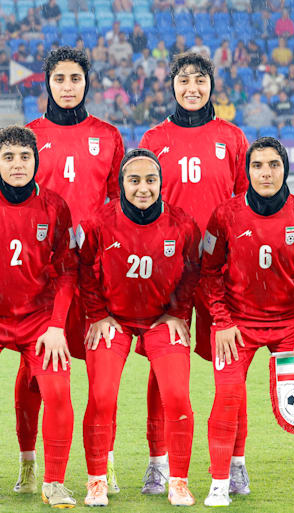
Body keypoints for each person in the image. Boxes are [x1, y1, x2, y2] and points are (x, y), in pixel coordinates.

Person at [201, 137, 294, 507]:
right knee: (227, 398)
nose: (265, 173)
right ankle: (219, 484)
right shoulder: (225, 215)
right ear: (247, 171)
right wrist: (222, 320)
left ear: (285, 168)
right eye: (257, 165)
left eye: (273, 164)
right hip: (236, 326)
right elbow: (209, 273)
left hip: (291, 325)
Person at [140, 51, 250, 497]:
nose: (192, 88)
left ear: (211, 86)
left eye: (200, 80)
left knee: (232, 366)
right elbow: (142, 204)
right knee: (163, 369)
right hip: (171, 269)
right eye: (184, 80)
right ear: (172, 85)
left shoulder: (233, 136)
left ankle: (237, 462)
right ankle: (158, 462)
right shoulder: (154, 137)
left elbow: (244, 205)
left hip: (222, 271)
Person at [0, 126, 77, 509]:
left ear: (36, 161)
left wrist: (57, 325)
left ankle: (53, 482)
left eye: (25, 156)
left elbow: (69, 269)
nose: (18, 164)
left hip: (39, 320)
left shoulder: (55, 207)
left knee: (57, 392)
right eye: (9, 157)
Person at [20, 46, 125, 499]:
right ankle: (29, 464)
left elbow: (122, 205)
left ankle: (105, 463)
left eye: (75, 79)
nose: (67, 87)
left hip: (97, 272)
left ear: (87, 83)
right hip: (42, 274)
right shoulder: (29, 134)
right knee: (35, 375)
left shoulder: (108, 135)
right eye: (59, 78)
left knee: (102, 375)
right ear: (48, 82)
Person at [79, 149, 200, 506]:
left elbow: (193, 269)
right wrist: (98, 313)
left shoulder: (182, 224)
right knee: (102, 395)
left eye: (151, 180)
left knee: (177, 395)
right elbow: (84, 269)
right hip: (112, 320)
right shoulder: (98, 221)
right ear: (121, 185)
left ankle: (178, 480)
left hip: (161, 320)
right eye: (134, 180)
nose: (143, 188)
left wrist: (178, 311)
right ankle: (96, 480)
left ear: (162, 183)